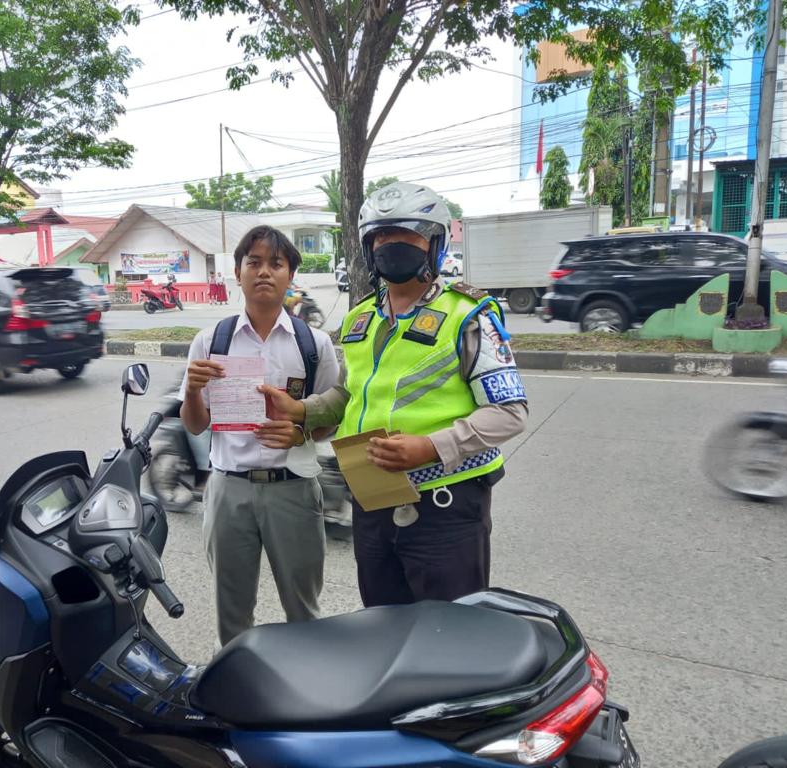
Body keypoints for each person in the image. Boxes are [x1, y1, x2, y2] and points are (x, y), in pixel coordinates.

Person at [263, 181, 528, 608]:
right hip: (373, 500)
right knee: (382, 624)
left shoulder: (468, 315)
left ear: (434, 243)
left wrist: (430, 447)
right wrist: (302, 410)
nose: (391, 244)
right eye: (381, 236)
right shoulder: (361, 317)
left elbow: (509, 412)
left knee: (448, 632)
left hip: (446, 506)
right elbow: (349, 394)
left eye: (407, 234)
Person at [180, 225, 339, 647]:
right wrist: (192, 390)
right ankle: (236, 684)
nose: (264, 271)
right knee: (232, 613)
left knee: (303, 610)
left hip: (293, 490)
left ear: (290, 275)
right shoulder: (210, 341)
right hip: (228, 490)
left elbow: (331, 421)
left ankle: (305, 683)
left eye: (276, 263)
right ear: (237, 273)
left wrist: (300, 429)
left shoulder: (314, 344)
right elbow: (195, 425)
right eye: (254, 262)